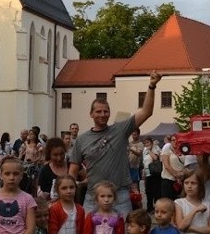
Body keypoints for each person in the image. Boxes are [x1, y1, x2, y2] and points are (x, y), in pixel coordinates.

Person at [69, 72, 162, 217]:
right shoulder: (82, 140)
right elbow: (72, 171)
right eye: (98, 111)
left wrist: (152, 86)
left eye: (106, 111)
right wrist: (69, 195)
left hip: (120, 194)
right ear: (91, 114)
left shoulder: (120, 129)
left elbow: (146, 112)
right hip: (93, 196)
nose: (102, 114)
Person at [161, 133, 187, 200]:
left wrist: (181, 174)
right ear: (170, 141)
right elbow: (166, 165)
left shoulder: (183, 150)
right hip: (168, 181)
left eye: (177, 140)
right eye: (173, 140)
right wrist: (176, 175)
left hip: (181, 181)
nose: (175, 142)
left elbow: (186, 165)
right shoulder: (167, 148)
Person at [142, 137, 162, 214]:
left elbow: (155, 158)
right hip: (147, 173)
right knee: (148, 191)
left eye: (148, 142)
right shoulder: (144, 150)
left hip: (155, 173)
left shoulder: (156, 148)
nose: (147, 144)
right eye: (145, 143)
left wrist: (149, 150)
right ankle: (149, 208)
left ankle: (157, 208)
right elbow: (144, 162)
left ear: (151, 142)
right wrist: (143, 172)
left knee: (156, 191)